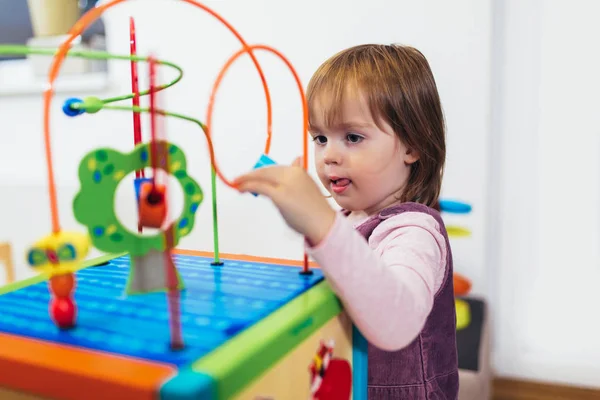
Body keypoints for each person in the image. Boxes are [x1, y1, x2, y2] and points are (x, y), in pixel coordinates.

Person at [234, 43, 458, 399]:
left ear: (412, 146)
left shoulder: (413, 232)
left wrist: (321, 223)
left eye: (352, 137)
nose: (329, 156)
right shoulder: (349, 218)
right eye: (320, 138)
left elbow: (396, 323)